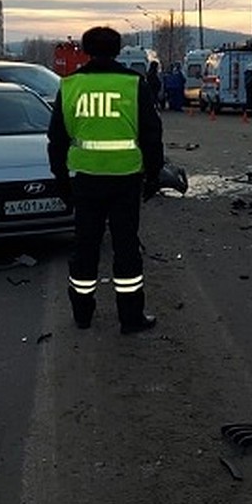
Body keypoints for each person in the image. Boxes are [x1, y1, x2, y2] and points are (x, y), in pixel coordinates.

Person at [47, 26, 164, 334]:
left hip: (84, 180)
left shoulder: (70, 85)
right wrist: (154, 175)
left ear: (85, 50)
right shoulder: (133, 83)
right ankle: (130, 318)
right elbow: (152, 134)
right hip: (126, 180)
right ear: (117, 50)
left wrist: (60, 179)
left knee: (85, 247)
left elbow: (56, 139)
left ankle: (82, 314)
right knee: (126, 249)